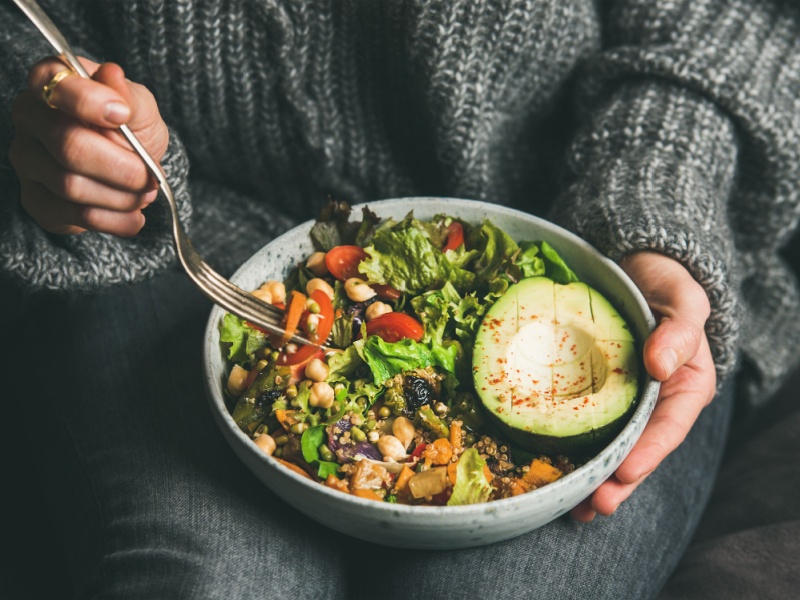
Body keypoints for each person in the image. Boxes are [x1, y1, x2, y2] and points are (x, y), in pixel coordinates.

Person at [1, 1, 799, 598]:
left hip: (584, 236)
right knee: (210, 581)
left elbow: (725, 23)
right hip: (165, 251)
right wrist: (49, 129)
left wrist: (655, 204)